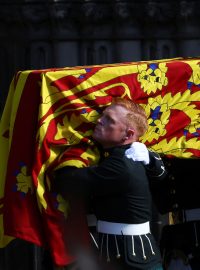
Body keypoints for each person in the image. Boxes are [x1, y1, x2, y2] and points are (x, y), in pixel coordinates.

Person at [52, 97, 167, 270]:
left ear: (128, 135)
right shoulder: (123, 157)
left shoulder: (121, 166)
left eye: (109, 120)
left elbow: (67, 183)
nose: (99, 120)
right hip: (119, 254)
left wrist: (70, 156)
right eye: (103, 116)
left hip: (132, 262)